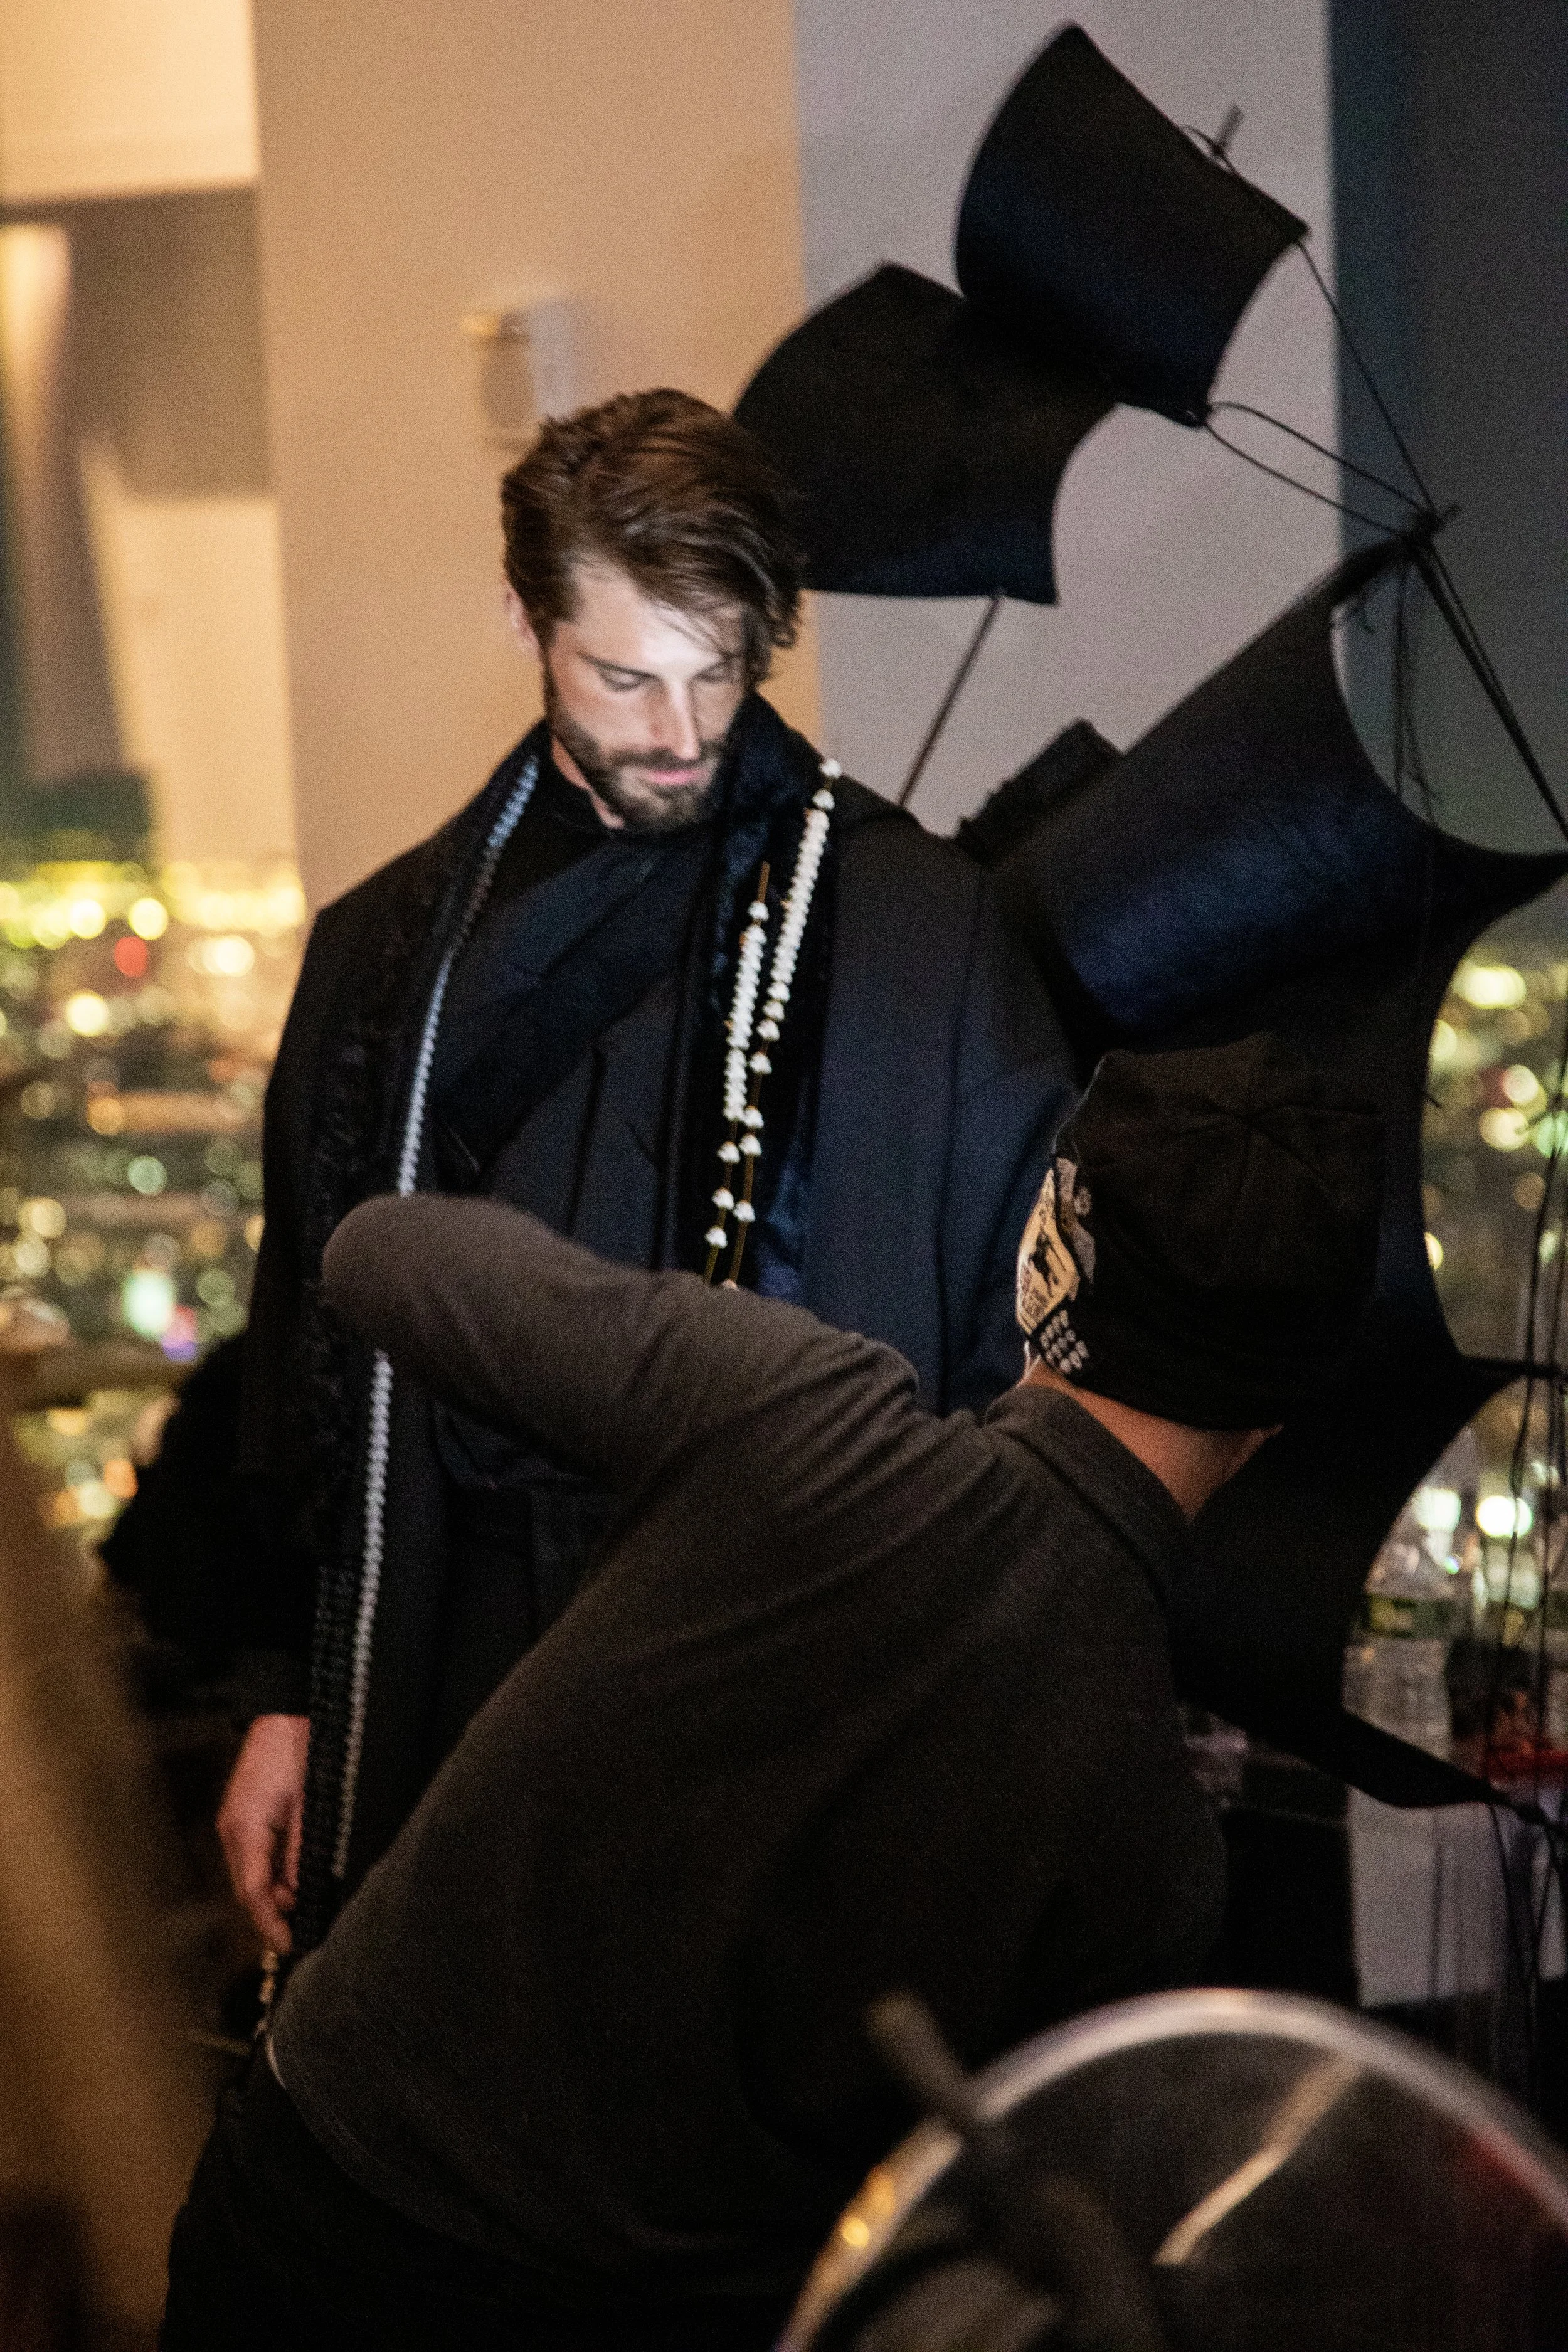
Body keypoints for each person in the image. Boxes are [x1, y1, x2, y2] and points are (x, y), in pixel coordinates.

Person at [161, 1034, 1385, 2352]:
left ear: (1047, 1258)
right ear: (1279, 1410)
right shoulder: (1157, 1855)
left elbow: (376, 1253)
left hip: (321, 2198)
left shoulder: (797, 1414)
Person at [217, 388, 1076, 1956]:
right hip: (461, 1640)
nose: (680, 734)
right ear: (525, 620)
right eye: (624, 678)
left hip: (789, 1660)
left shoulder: (919, 930)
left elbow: (1016, 1368)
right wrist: (286, 1692)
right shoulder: (380, 960)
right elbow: (302, 1352)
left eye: (718, 672)